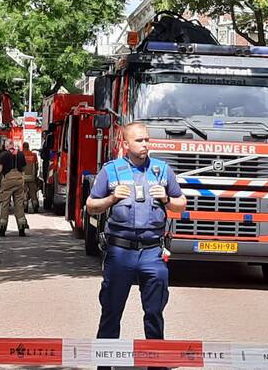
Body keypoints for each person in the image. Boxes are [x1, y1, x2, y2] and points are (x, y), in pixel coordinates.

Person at [85, 122, 185, 370]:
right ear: (126, 144)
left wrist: (167, 199)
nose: (145, 145)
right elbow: (90, 206)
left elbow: (181, 204)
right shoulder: (111, 171)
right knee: (111, 311)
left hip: (152, 250)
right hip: (120, 251)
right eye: (139, 140)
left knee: (154, 312)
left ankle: (157, 363)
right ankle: (104, 365)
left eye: (147, 140)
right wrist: (111, 198)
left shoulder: (162, 170)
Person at [0, 141, 28, 237]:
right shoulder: (21, 154)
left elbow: (0, 170)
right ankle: (21, 228)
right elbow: (24, 168)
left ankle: (2, 228)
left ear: (6, 146)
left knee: (4, 203)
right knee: (19, 204)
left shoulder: (3, 155)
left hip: (7, 181)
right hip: (18, 180)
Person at [21, 142, 40, 213]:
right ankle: (35, 206)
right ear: (28, 147)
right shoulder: (34, 155)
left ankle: (25, 206)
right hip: (32, 178)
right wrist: (35, 175)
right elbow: (36, 166)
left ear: (23, 147)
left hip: (23, 178)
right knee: (33, 192)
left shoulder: (20, 155)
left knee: (24, 192)